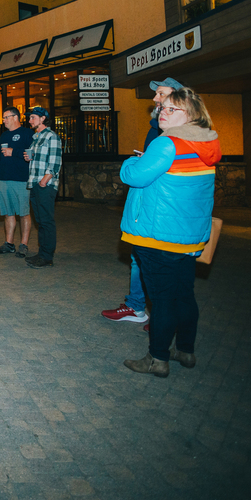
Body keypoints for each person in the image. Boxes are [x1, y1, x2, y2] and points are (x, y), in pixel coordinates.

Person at [120, 87, 219, 377]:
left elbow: (134, 176)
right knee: (184, 295)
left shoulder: (168, 144)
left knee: (162, 299)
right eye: (162, 107)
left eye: (171, 109)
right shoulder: (207, 142)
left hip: (158, 234)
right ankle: (185, 351)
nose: (162, 111)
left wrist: (131, 160)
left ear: (190, 114)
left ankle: (157, 358)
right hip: (187, 236)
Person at [102, 77, 184, 324]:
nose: (155, 99)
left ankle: (162, 319)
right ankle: (138, 306)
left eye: (161, 94)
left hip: (161, 209)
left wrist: (135, 162)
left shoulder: (176, 135)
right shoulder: (156, 128)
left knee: (160, 264)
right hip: (149, 205)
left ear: (178, 99)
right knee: (140, 258)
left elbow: (138, 174)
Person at [0, 106, 34, 258]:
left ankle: (24, 244)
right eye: (3, 118)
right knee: (8, 212)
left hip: (21, 179)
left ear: (15, 117)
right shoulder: (3, 136)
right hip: (3, 179)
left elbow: (31, 154)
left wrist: (13, 152)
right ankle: (9, 243)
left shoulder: (28, 134)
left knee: (23, 212)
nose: (3, 121)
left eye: (6, 117)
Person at [23, 106, 62, 269]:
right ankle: (42, 253)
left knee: (46, 221)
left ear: (43, 119)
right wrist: (28, 157)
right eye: (29, 118)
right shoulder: (36, 137)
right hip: (35, 183)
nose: (30, 120)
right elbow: (37, 159)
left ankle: (47, 257)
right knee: (40, 221)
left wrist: (44, 181)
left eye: (33, 117)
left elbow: (54, 162)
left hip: (44, 184)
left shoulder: (51, 136)